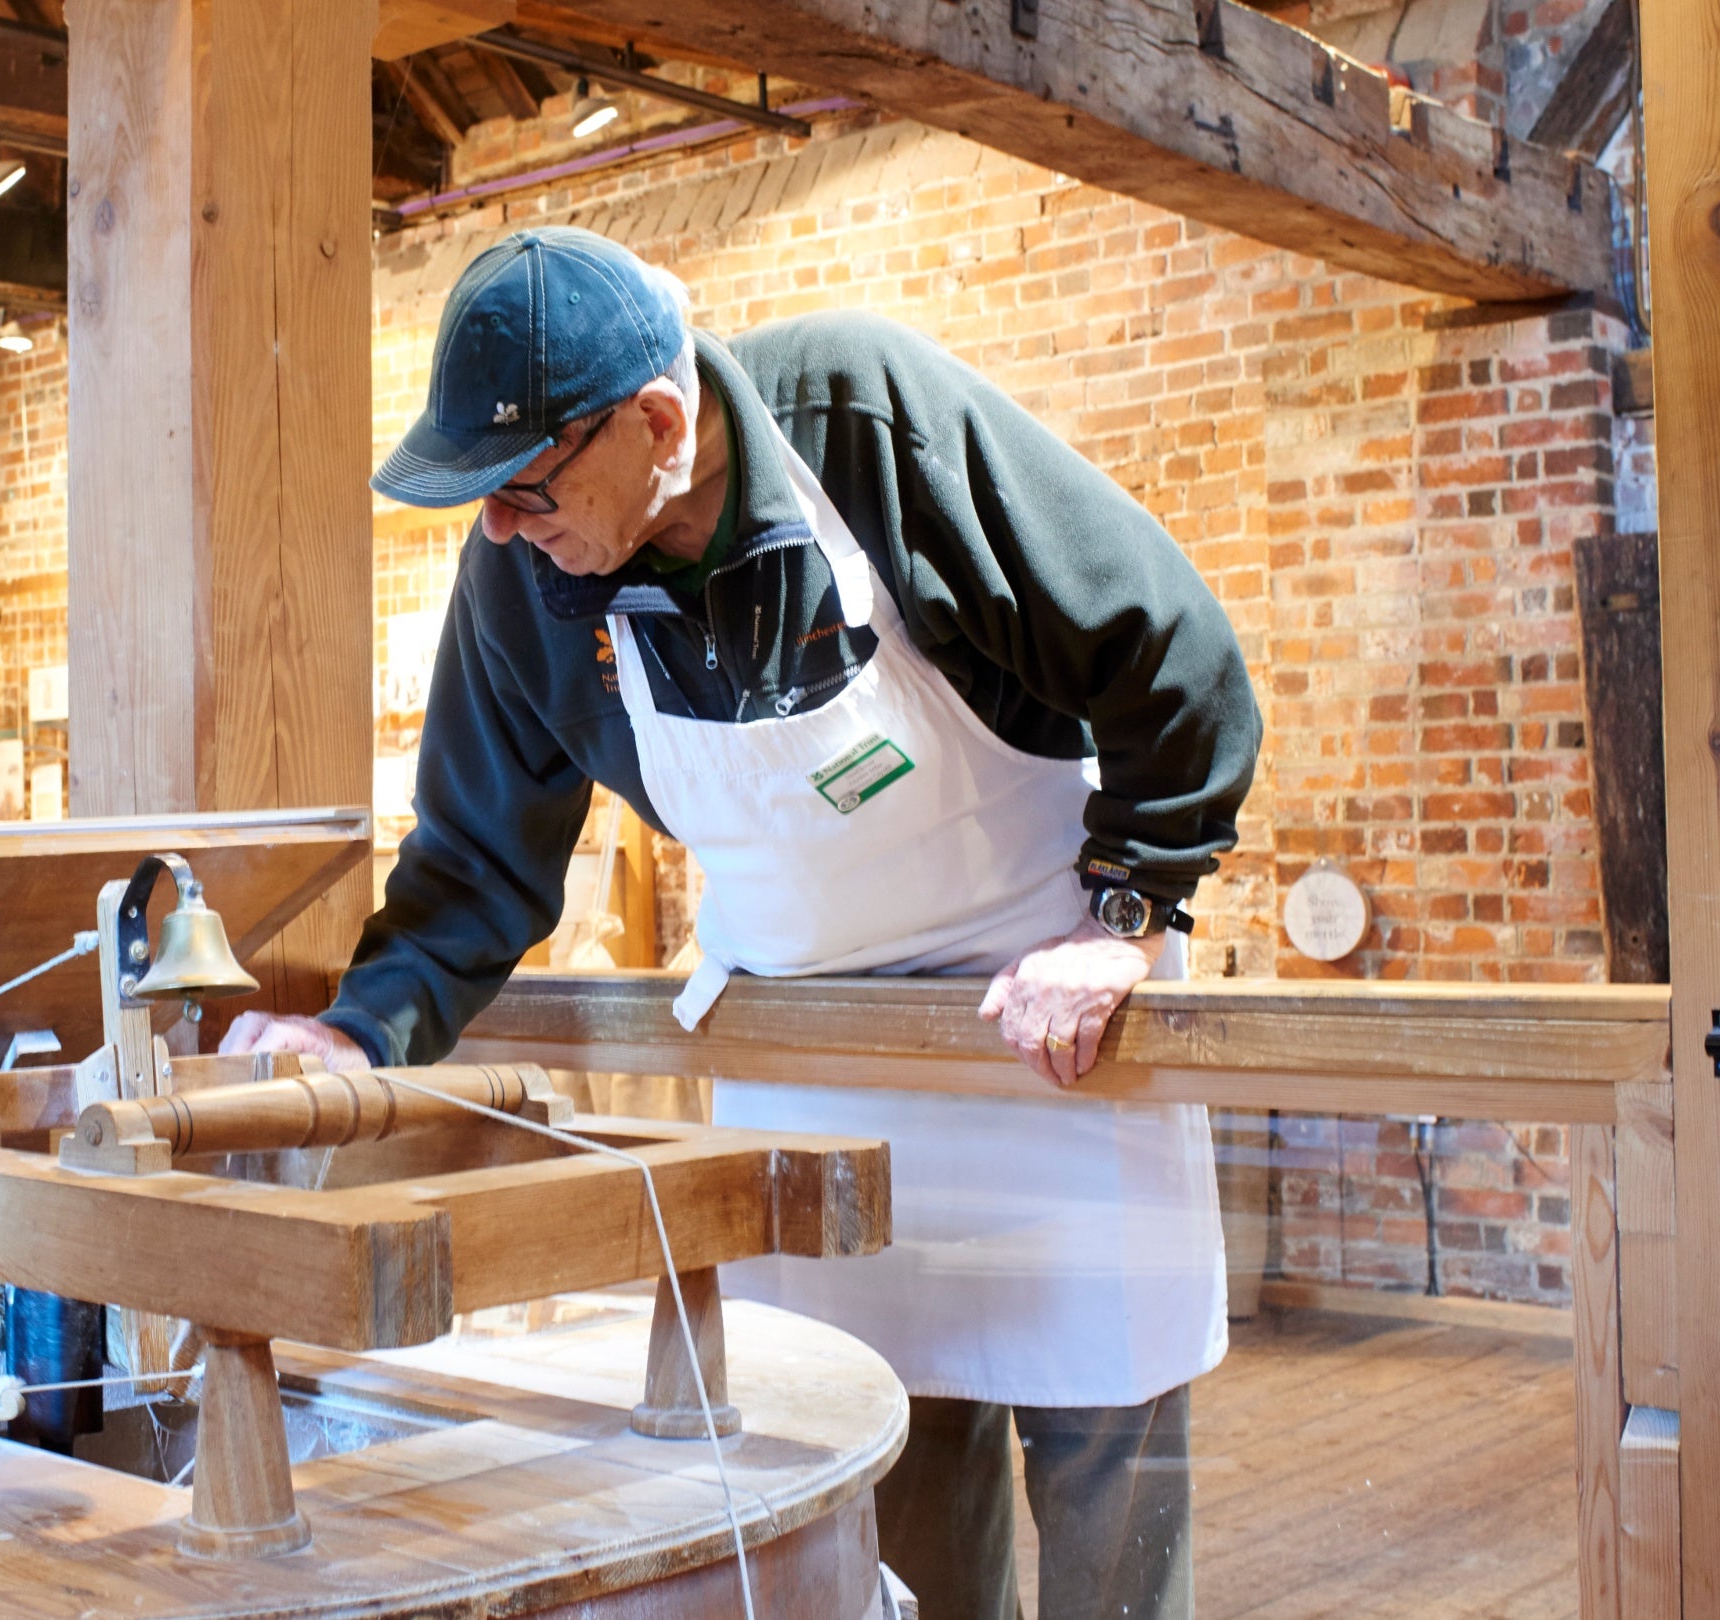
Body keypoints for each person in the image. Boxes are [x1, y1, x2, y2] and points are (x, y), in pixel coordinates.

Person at [223, 226, 1261, 1620]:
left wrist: (1125, 916)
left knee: (1105, 1473)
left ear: (657, 423)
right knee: (882, 1460)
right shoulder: (526, 576)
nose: (501, 528)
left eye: (525, 488)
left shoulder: (871, 424)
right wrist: (358, 1033)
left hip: (1046, 1011)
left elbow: (1172, 652)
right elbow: (477, 858)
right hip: (817, 1050)